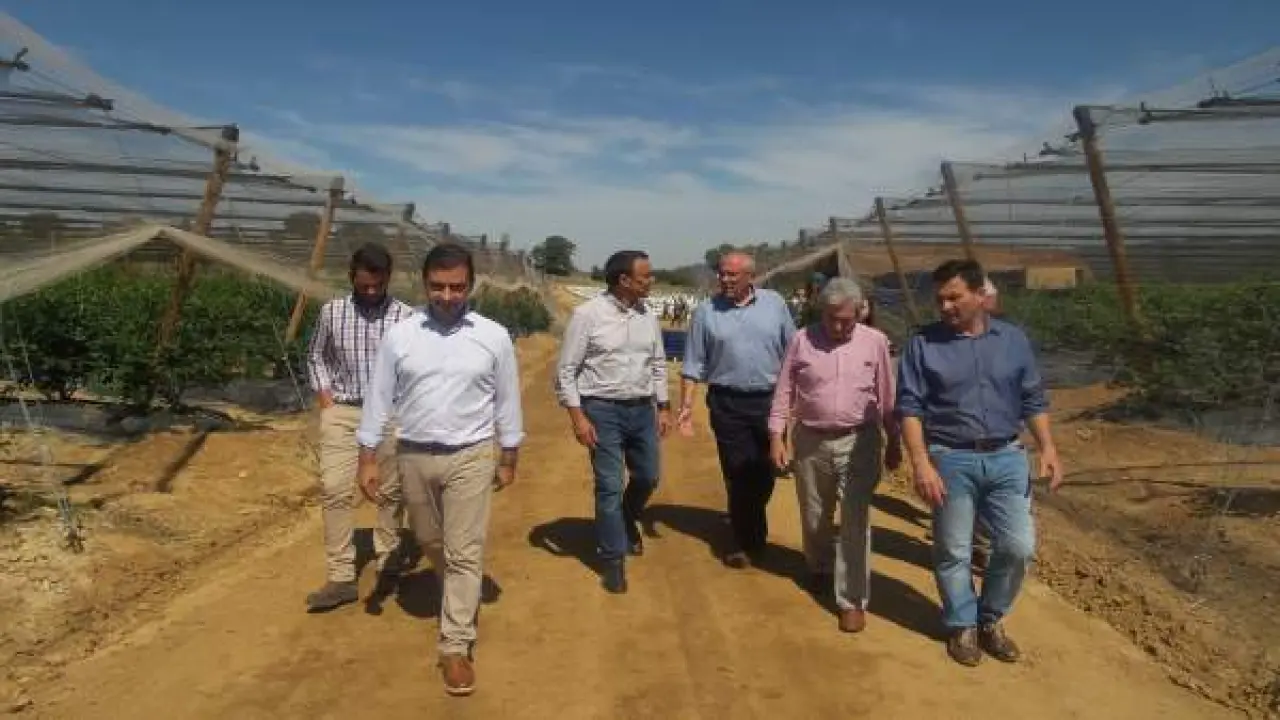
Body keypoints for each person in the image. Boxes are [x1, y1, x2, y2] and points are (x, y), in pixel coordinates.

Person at [356, 243, 524, 697]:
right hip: (413, 454)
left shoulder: (493, 337)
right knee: (431, 541)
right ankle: (451, 585)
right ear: (424, 283)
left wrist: (509, 455)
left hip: (471, 454)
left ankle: (455, 645)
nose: (447, 296)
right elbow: (379, 397)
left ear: (471, 285)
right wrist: (367, 457)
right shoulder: (401, 336)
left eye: (457, 287)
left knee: (465, 550)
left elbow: (507, 400)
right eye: (438, 287)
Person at [897, 258, 1064, 668]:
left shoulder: (1012, 340)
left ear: (979, 294)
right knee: (953, 549)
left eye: (954, 297)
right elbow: (910, 408)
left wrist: (1048, 447)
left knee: (1018, 546)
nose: (945, 306)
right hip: (950, 457)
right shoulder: (923, 344)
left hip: (1007, 456)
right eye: (940, 299)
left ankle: (990, 617)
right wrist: (921, 463)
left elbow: (1032, 398)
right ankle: (962, 624)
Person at [768, 278, 901, 633]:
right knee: (815, 514)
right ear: (820, 311)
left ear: (860, 312)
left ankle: (852, 599)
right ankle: (819, 566)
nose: (838, 326)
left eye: (846, 320)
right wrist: (777, 436)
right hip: (810, 440)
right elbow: (784, 391)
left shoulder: (875, 342)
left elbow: (887, 396)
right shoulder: (802, 340)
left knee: (855, 518)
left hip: (860, 441)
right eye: (831, 318)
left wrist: (895, 441)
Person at [304, 242, 414, 613]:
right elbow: (316, 356)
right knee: (334, 488)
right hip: (344, 411)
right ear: (351, 277)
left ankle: (388, 562)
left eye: (377, 285)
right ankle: (340, 577)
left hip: (390, 415)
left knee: (390, 492)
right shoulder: (332, 313)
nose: (370, 291)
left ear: (388, 279)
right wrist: (326, 400)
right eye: (364, 285)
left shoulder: (406, 318)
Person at [555, 250, 670, 594]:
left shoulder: (647, 315)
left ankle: (624, 518)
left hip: (642, 410)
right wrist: (578, 417)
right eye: (645, 276)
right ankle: (613, 558)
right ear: (624, 280)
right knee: (609, 484)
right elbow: (566, 371)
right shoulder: (588, 315)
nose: (651, 281)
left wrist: (663, 406)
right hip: (602, 410)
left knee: (648, 476)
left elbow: (658, 363)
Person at [678, 252, 796, 568]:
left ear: (750, 277)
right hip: (726, 402)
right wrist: (686, 406)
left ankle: (746, 517)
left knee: (767, 470)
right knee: (738, 471)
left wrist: (799, 397)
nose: (725, 280)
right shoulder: (706, 312)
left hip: (770, 401)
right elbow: (692, 363)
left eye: (732, 275)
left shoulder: (775, 304)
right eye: (722, 274)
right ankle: (748, 541)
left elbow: (794, 351)